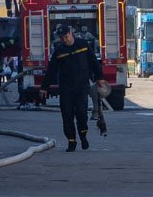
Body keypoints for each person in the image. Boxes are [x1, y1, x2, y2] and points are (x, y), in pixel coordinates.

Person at [41, 24, 105, 152]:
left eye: (66, 36)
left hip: (81, 86)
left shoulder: (83, 45)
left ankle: (83, 136)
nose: (64, 40)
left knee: (81, 113)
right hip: (66, 88)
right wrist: (44, 87)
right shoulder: (59, 51)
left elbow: (93, 62)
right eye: (62, 38)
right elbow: (51, 70)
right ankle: (71, 141)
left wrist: (99, 77)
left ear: (71, 33)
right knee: (67, 115)